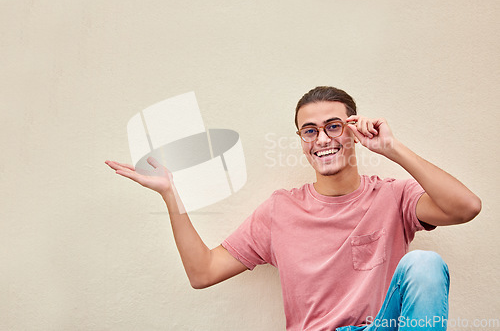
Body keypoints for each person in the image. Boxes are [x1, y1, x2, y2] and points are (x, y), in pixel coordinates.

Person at [105, 86, 481, 331]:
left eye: (334, 126)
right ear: (301, 140)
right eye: (310, 130)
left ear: (353, 131)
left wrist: (392, 148)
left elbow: (466, 207)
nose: (323, 139)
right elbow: (202, 272)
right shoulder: (279, 211)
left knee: (425, 264)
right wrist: (171, 194)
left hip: (380, 326)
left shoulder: (393, 197)